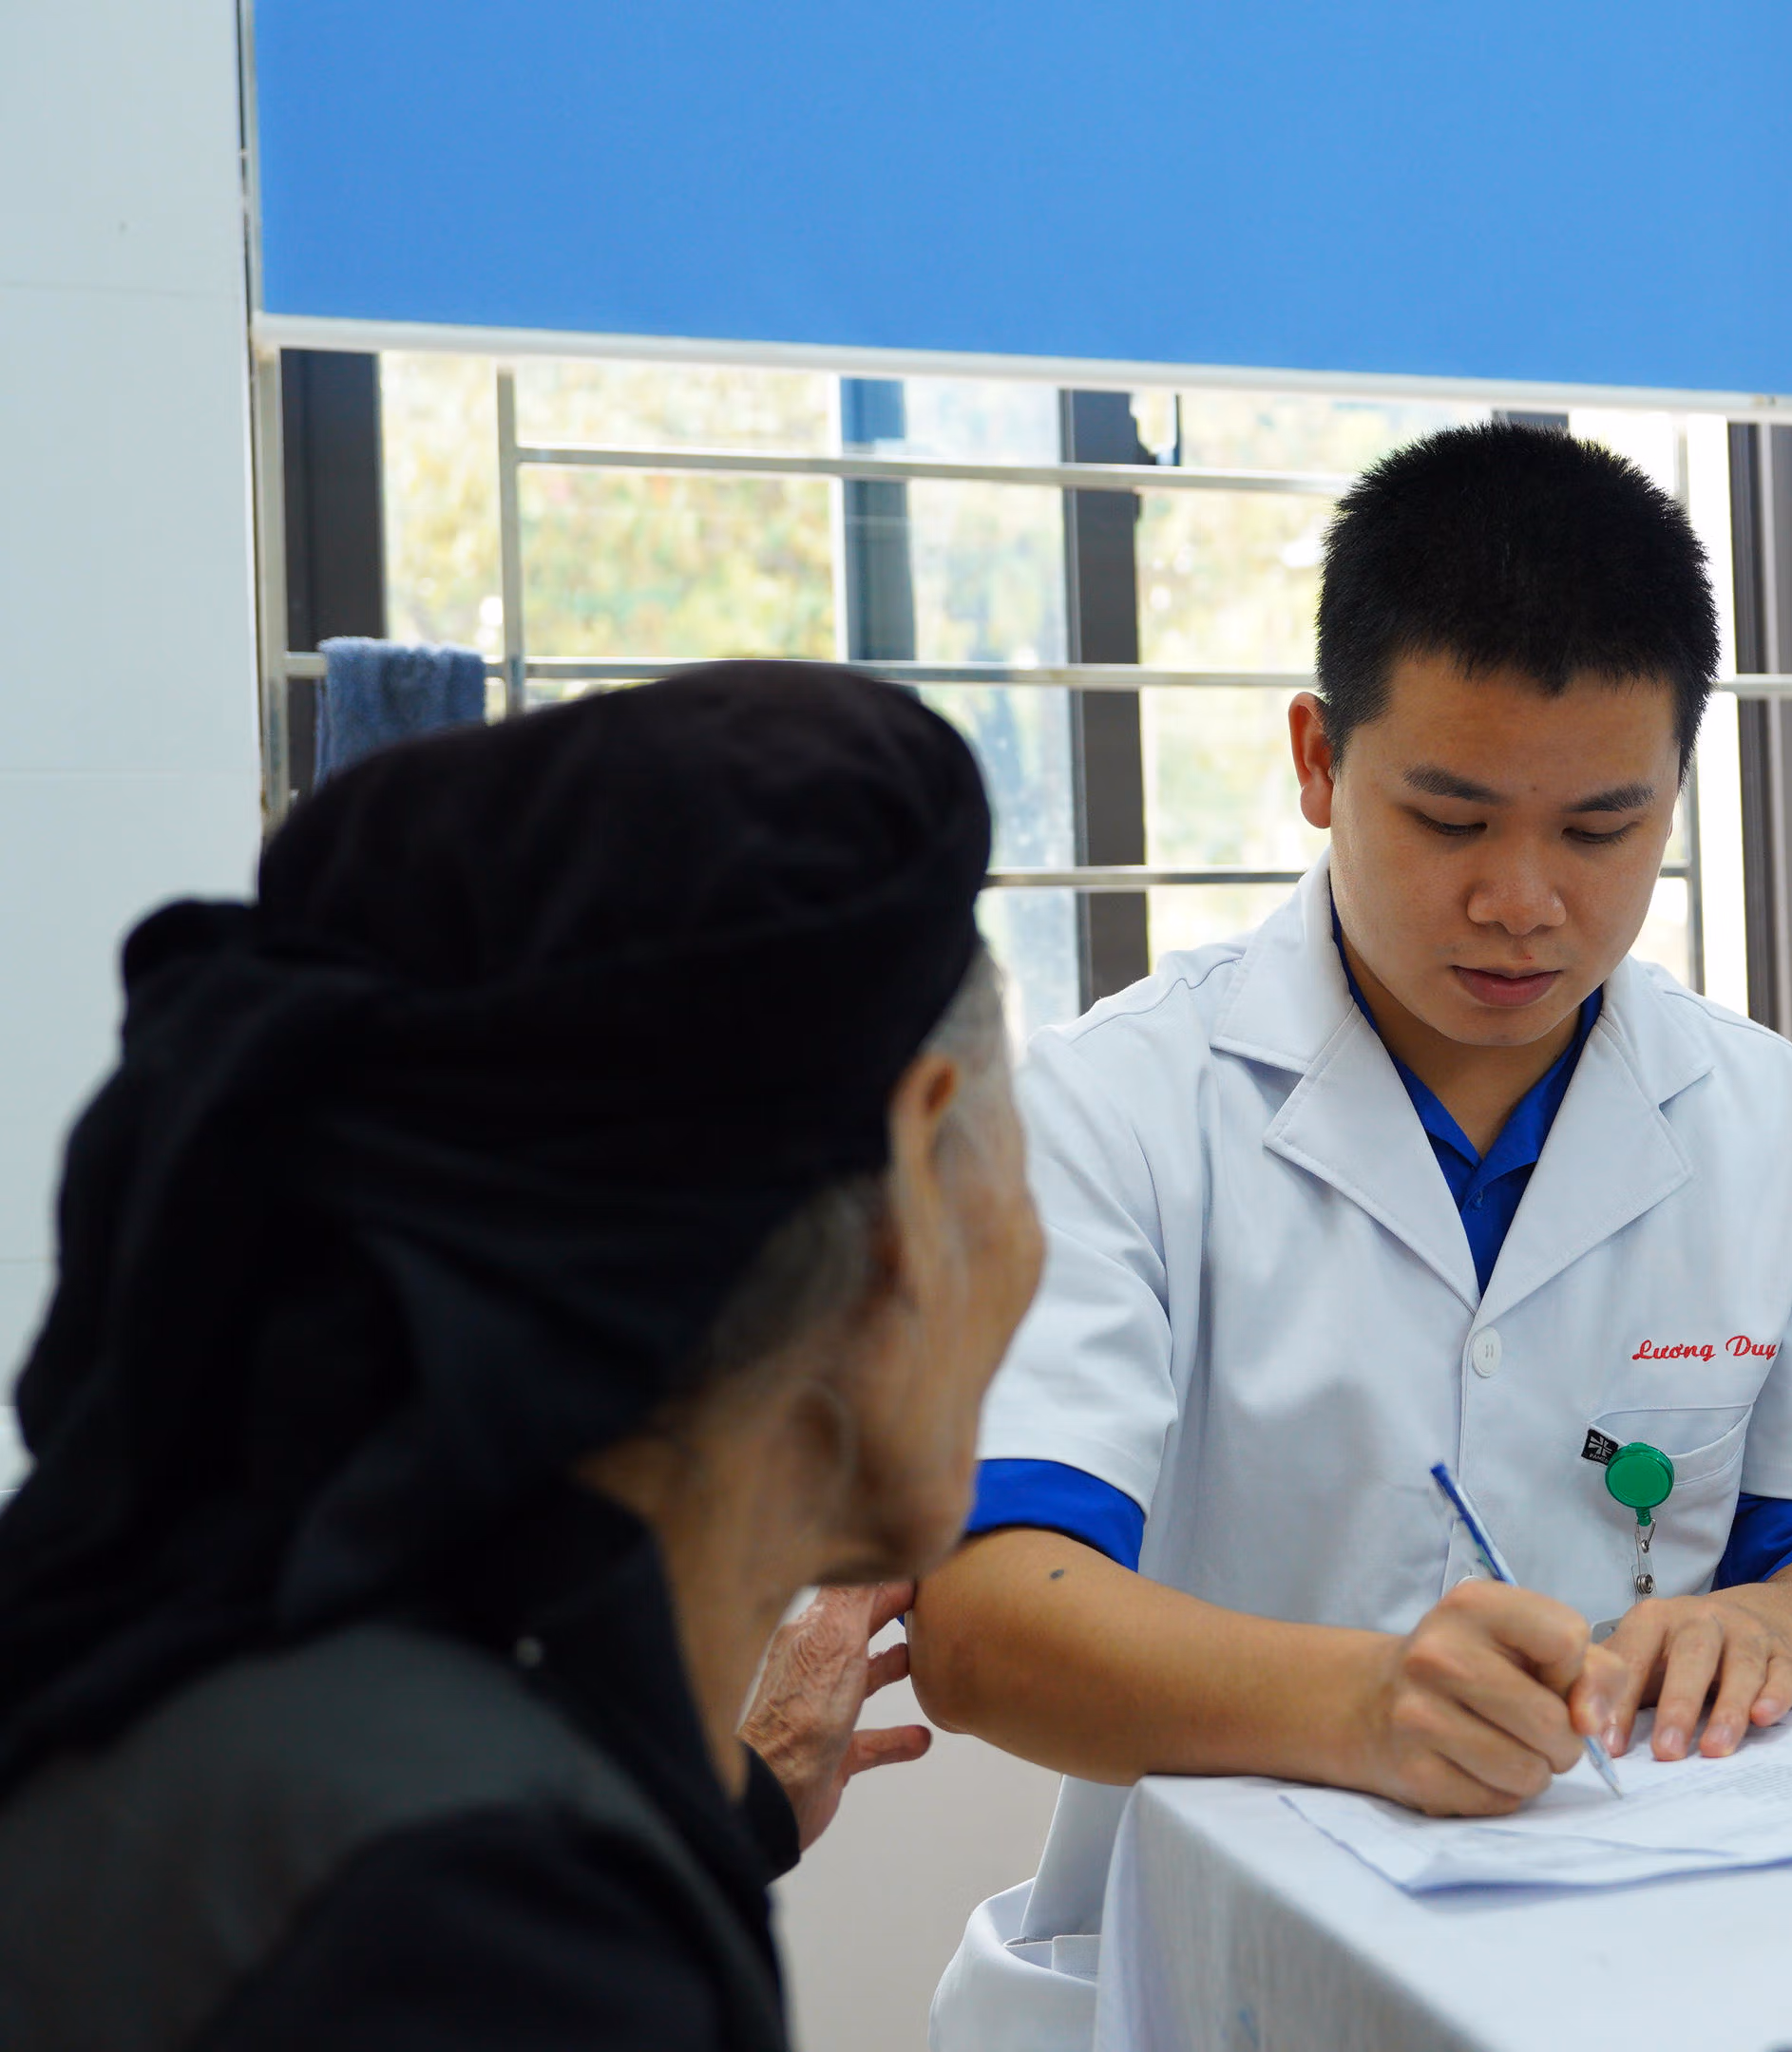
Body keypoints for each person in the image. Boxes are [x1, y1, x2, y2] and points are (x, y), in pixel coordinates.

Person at [914, 423, 1792, 2044]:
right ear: (1319, 759)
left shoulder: (1766, 1121)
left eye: (1600, 829)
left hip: (1663, 1940)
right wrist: (1363, 1703)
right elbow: (985, 1623)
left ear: (1676, 791)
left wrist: (1767, 1627)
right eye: (1452, 820)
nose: (1524, 900)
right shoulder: (1119, 1109)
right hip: (1209, 1976)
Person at [0, 664, 1043, 2050]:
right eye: (1019, 1156)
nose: (1033, 1243)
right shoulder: (483, 1933)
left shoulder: (280, 1687)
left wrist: (731, 1804)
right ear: (915, 1161)